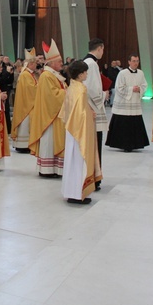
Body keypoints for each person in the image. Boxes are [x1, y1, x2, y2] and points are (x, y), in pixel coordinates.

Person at [59, 60, 102, 204]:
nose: (87, 74)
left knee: (72, 160)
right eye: (85, 72)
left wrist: (88, 111)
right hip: (79, 131)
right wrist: (90, 114)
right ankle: (78, 193)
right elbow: (81, 114)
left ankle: (70, 191)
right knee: (79, 160)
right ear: (80, 74)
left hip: (72, 130)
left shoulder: (72, 86)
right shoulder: (81, 89)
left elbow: (73, 109)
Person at [29, 40, 67, 177]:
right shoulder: (46, 76)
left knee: (55, 141)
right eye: (59, 61)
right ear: (51, 63)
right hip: (49, 117)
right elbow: (52, 96)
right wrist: (67, 92)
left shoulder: (54, 75)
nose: (61, 63)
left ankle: (55, 168)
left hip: (56, 114)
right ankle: (47, 169)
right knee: (49, 142)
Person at [105, 54, 149, 152]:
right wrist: (131, 89)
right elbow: (119, 88)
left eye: (137, 61)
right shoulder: (123, 73)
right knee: (123, 123)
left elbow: (145, 85)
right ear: (129, 62)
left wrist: (140, 89)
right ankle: (121, 144)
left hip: (135, 103)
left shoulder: (141, 73)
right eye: (133, 61)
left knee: (135, 123)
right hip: (124, 104)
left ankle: (135, 144)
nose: (135, 63)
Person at [83, 38, 107, 188]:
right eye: (103, 50)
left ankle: (93, 177)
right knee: (95, 144)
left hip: (88, 108)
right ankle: (94, 179)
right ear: (99, 48)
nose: (103, 52)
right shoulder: (91, 64)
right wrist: (104, 95)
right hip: (93, 110)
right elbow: (91, 89)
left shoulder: (87, 62)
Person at [10, 48, 37, 153]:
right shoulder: (25, 74)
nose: (35, 65)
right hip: (26, 104)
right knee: (25, 124)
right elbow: (31, 89)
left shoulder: (28, 73)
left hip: (26, 101)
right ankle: (23, 145)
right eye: (34, 63)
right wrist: (40, 86)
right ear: (30, 64)